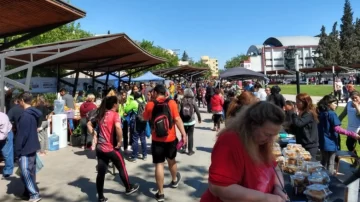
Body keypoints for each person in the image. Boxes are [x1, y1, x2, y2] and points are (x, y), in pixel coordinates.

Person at [200, 102, 287, 202]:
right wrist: (266, 198)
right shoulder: (230, 141)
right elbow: (219, 187)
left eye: (274, 135)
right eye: (267, 134)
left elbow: (274, 167)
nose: (271, 140)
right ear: (252, 125)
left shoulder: (261, 141)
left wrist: (278, 188)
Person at [143, 84, 187, 202]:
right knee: (171, 161)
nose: (151, 94)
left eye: (153, 92)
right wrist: (183, 133)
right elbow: (177, 119)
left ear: (156, 93)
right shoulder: (171, 103)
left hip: (157, 140)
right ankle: (174, 180)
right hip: (170, 138)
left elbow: (145, 118)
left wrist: (149, 103)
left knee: (159, 165)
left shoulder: (150, 104)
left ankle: (160, 193)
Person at [93, 96, 139, 202]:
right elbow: (118, 127)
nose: (118, 104)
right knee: (121, 166)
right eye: (117, 103)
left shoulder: (101, 114)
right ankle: (128, 187)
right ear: (114, 104)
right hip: (110, 148)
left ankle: (100, 197)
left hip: (100, 147)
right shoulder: (115, 115)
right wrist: (119, 141)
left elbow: (93, 125)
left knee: (101, 173)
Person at [317, 94, 360, 174]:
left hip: (322, 142)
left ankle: (321, 178)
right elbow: (337, 129)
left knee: (323, 162)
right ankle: (329, 180)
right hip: (330, 143)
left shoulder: (321, 113)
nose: (336, 105)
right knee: (330, 163)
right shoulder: (332, 114)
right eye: (335, 103)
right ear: (328, 104)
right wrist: (353, 134)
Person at [15, 92, 42, 202]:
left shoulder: (25, 116)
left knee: (25, 171)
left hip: (26, 148)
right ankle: (29, 192)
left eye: (18, 100)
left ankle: (34, 194)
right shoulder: (34, 113)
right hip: (33, 145)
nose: (17, 103)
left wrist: (18, 151)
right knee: (30, 171)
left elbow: (22, 135)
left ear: (22, 100)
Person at [288, 93, 319, 160]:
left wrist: (294, 114)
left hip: (310, 144)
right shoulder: (302, 113)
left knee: (310, 164)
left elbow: (299, 124)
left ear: (305, 102)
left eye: (298, 102)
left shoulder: (309, 113)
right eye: (296, 101)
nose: (296, 104)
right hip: (302, 143)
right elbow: (296, 127)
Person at [339, 91, 360, 166]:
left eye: (356, 98)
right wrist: (337, 121)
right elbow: (343, 114)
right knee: (349, 145)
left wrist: (357, 107)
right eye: (353, 98)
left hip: (359, 130)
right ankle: (356, 160)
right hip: (351, 129)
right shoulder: (348, 104)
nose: (354, 100)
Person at [125, 92, 147, 162]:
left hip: (135, 121)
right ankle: (144, 155)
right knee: (143, 138)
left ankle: (134, 156)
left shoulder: (134, 102)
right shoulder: (144, 102)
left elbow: (126, 110)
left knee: (135, 139)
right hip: (143, 121)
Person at [179, 88, 201, 155]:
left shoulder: (182, 100)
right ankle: (190, 151)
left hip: (183, 121)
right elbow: (197, 110)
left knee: (183, 134)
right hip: (191, 121)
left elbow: (179, 111)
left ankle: (183, 148)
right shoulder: (193, 101)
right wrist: (199, 118)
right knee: (190, 135)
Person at [0, 112, 14, 178]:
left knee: (7, 153)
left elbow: (3, 134)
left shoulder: (2, 117)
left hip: (6, 133)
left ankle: (8, 171)